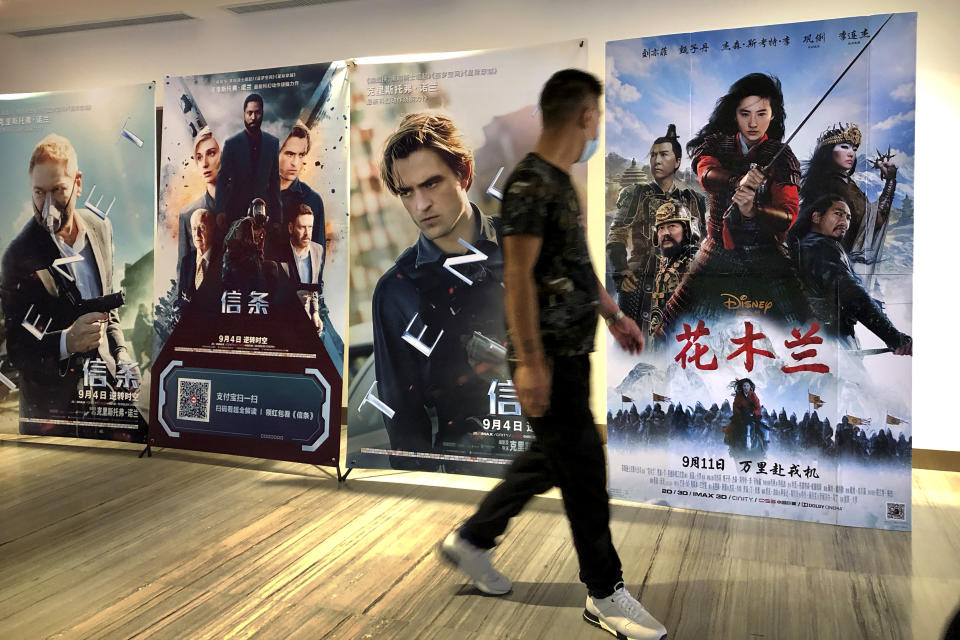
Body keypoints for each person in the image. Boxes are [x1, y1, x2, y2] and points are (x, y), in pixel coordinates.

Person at [438, 69, 667, 640]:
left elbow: (577, 267)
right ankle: (606, 594)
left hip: (571, 350)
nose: (599, 126)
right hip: (549, 357)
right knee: (584, 468)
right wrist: (531, 362)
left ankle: (472, 539)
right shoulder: (529, 185)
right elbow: (515, 278)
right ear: (585, 115)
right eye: (598, 115)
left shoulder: (560, 181)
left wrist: (614, 316)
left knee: (552, 457)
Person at [371, 112, 506, 471]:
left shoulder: (524, 246)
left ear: (464, 173)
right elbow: (404, 423)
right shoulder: (395, 291)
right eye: (407, 192)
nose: (420, 205)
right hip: (462, 477)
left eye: (431, 184)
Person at [0, 133, 137, 418]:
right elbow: (16, 349)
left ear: (78, 184)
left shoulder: (101, 227)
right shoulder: (17, 256)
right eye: (39, 192)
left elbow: (107, 311)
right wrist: (66, 341)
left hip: (105, 392)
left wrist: (122, 355)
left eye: (58, 190)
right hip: (52, 414)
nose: (47, 205)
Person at [661, 73, 810, 330]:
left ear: (773, 115)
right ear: (734, 114)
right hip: (717, 249)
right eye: (745, 113)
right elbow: (706, 173)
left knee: (803, 329)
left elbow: (788, 214)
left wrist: (753, 210)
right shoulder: (716, 144)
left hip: (765, 254)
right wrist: (736, 181)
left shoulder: (782, 156)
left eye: (761, 113)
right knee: (671, 325)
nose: (753, 122)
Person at [608, 124, 705, 332]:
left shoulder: (692, 199)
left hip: (682, 283)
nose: (656, 160)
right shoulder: (636, 194)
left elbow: (702, 241)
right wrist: (620, 270)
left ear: (677, 161)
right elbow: (617, 234)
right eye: (652, 155)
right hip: (639, 282)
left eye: (663, 154)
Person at [787, 193, 912, 354]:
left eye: (848, 217)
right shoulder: (820, 247)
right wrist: (894, 337)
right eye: (838, 214)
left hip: (823, 340)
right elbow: (851, 293)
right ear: (817, 217)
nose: (844, 222)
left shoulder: (815, 245)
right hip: (830, 340)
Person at [799, 123, 898, 284]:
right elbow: (874, 220)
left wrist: (890, 182)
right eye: (844, 147)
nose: (851, 153)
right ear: (828, 152)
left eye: (854, 149)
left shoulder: (847, 184)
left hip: (842, 264)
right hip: (827, 266)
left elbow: (873, 220)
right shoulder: (827, 184)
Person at [215, 93, 281, 233]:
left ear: (262, 113)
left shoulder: (272, 143)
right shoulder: (231, 144)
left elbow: (275, 181)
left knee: (262, 253)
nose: (253, 117)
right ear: (244, 114)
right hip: (235, 213)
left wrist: (277, 218)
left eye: (257, 113)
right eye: (249, 113)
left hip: (263, 215)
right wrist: (220, 211)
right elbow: (221, 179)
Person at [647, 201, 700, 341]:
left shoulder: (696, 260)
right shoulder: (665, 260)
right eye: (661, 228)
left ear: (687, 229)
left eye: (672, 226)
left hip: (685, 339)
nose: (665, 233)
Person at [177, 127, 220, 273]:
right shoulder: (187, 214)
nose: (204, 163)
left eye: (211, 153)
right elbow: (182, 275)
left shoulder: (244, 208)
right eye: (199, 157)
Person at [276, 203, 324, 330]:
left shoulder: (318, 250)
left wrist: (315, 313)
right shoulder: (278, 253)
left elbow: (314, 286)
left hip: (307, 319)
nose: (307, 233)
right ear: (291, 228)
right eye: (302, 227)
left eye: (310, 227)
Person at [278, 123, 325, 246]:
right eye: (290, 154)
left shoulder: (313, 200)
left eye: (301, 155)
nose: (295, 163)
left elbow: (317, 255)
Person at [178, 208, 220, 301]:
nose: (197, 234)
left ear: (212, 229)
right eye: (194, 228)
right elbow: (180, 298)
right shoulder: (187, 262)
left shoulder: (223, 259)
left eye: (202, 228)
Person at [723, 378, 763, 455]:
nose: (746, 387)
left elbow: (758, 407)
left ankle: (762, 450)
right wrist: (739, 414)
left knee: (761, 429)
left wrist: (754, 413)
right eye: (744, 386)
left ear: (750, 387)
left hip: (752, 416)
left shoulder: (753, 395)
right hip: (741, 416)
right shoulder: (738, 396)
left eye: (747, 386)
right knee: (730, 428)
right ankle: (731, 448)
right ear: (742, 387)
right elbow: (735, 406)